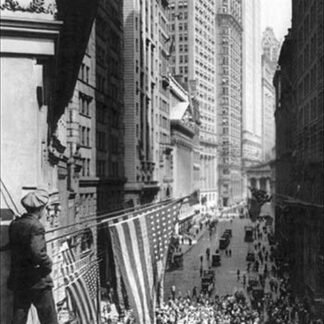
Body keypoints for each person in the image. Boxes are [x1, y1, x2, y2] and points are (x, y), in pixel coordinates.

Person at [8, 189, 58, 324]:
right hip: (38, 282)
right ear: (41, 209)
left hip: (19, 280)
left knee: (19, 317)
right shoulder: (36, 226)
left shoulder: (15, 224)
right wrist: (48, 264)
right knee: (49, 319)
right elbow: (38, 253)